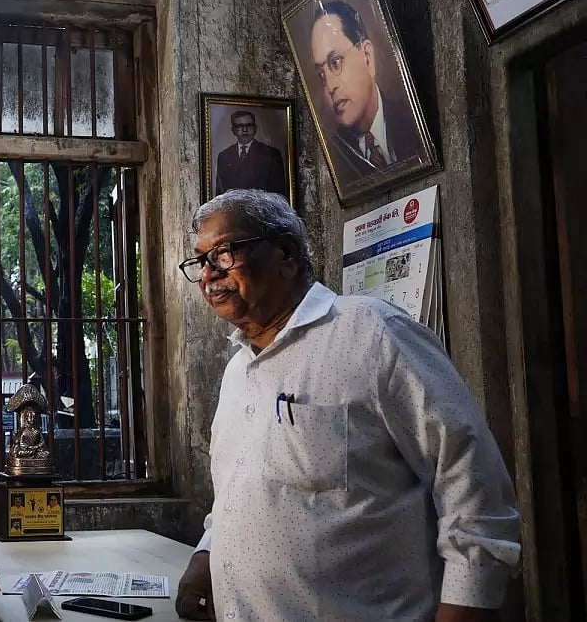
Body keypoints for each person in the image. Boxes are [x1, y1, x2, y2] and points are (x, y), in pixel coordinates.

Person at [174, 189, 520, 621]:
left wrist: (466, 610)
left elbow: (474, 489)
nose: (208, 274)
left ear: (285, 255)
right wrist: (208, 556)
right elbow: (241, 491)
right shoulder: (237, 371)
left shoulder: (374, 334)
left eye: (224, 253)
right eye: (200, 261)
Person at [309, 0, 421, 182]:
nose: (329, 86)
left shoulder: (413, 120)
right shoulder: (336, 161)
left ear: (367, 57)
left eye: (335, 62)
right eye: (321, 74)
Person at [213, 110, 287, 197]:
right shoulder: (224, 156)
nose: (245, 130)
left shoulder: (271, 154)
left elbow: (279, 194)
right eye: (239, 126)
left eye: (249, 125)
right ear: (233, 130)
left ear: (255, 128)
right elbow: (220, 195)